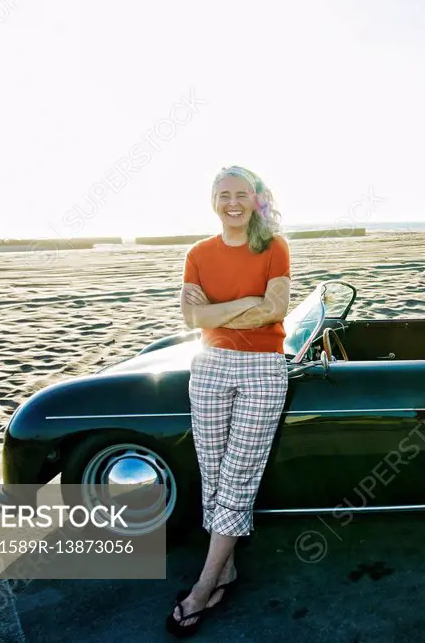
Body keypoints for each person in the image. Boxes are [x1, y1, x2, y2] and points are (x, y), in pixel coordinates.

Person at [166, 165, 291, 637]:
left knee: (239, 474)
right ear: (213, 200)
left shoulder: (272, 247)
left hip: (263, 369)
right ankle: (228, 570)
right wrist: (245, 303)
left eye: (241, 193)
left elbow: (275, 309)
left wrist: (215, 311)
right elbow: (191, 318)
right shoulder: (198, 253)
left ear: (256, 200)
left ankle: (202, 588)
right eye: (224, 194)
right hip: (211, 367)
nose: (233, 202)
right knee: (213, 471)